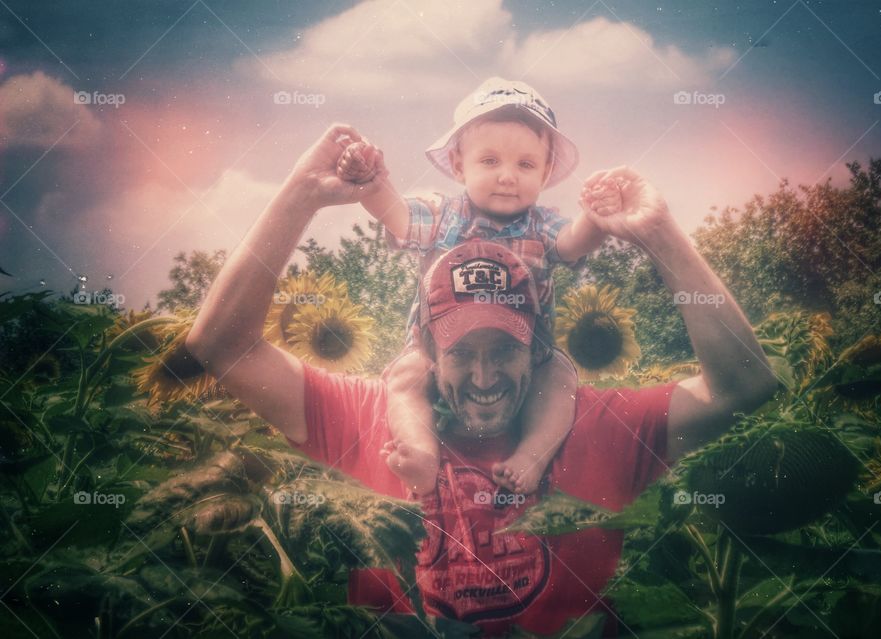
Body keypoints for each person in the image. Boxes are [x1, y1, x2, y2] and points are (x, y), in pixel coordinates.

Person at [185, 123, 777, 636]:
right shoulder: (372, 422)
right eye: (463, 351)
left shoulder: (598, 426)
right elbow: (222, 348)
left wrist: (658, 232)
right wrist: (300, 194)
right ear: (430, 349)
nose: (485, 375)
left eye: (505, 348)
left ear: (537, 345)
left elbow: (743, 389)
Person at [332, 77, 628, 497]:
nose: (507, 177)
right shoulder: (442, 215)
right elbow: (397, 216)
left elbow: (574, 243)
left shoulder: (543, 226)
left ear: (545, 173)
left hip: (527, 352)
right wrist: (372, 183)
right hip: (437, 350)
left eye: (525, 165)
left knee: (560, 378)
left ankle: (532, 456)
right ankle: (420, 453)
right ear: (458, 165)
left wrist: (598, 218)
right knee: (405, 380)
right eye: (490, 161)